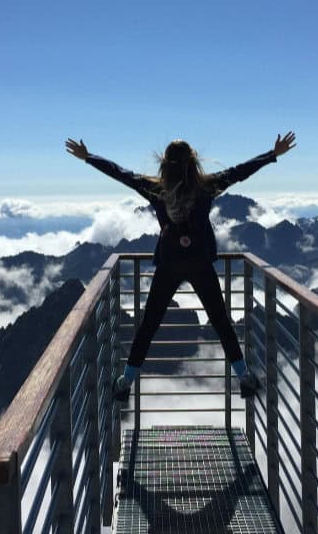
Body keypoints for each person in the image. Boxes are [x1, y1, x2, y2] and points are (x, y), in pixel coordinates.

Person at [65, 132, 297, 402]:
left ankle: (125, 381)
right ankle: (244, 377)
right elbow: (240, 172)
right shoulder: (206, 187)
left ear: (165, 164)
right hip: (199, 263)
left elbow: (121, 174)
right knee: (221, 321)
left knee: (149, 323)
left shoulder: (156, 189)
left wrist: (88, 157)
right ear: (193, 161)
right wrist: (272, 154)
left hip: (169, 263)